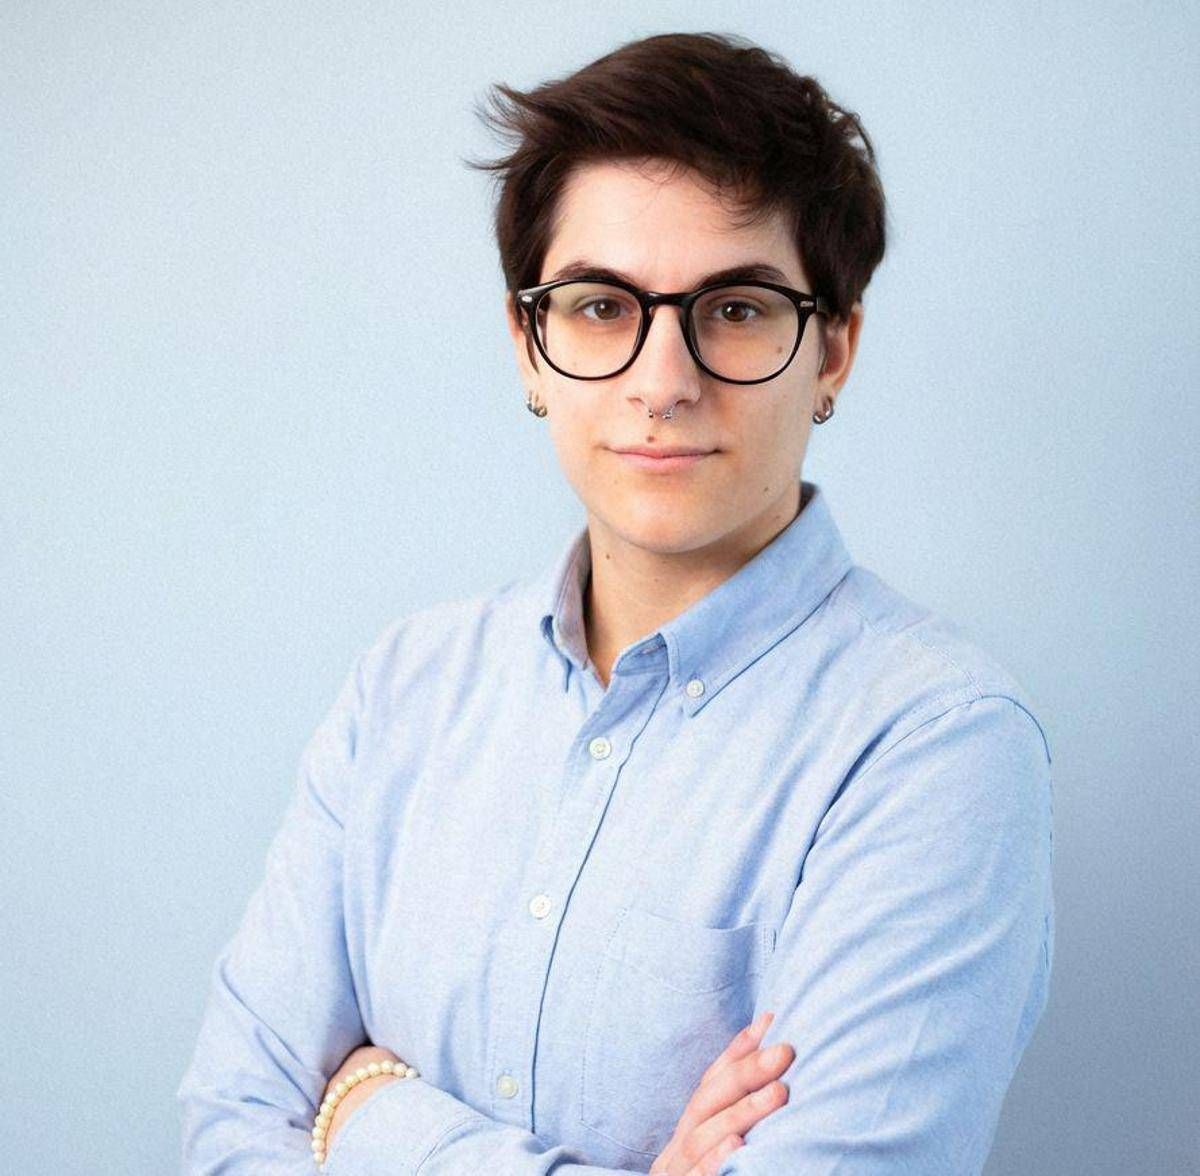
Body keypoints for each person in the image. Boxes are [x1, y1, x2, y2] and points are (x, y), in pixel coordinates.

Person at [177, 31, 1055, 1175]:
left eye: (735, 309)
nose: (662, 380)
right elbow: (228, 1131)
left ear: (833, 348)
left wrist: (372, 1120)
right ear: (528, 345)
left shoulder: (933, 743)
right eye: (600, 307)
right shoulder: (407, 686)